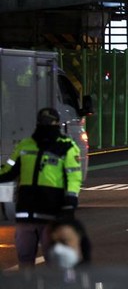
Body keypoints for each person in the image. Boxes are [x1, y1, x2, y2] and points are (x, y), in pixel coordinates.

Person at [0, 108, 82, 267]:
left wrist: (71, 199)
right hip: (28, 213)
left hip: (48, 213)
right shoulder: (26, 146)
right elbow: (8, 172)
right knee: (25, 256)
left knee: (50, 259)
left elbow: (73, 176)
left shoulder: (66, 147)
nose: (45, 126)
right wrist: (71, 201)